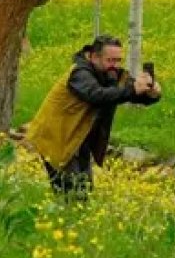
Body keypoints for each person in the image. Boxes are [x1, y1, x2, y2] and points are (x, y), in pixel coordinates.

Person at [26, 35, 162, 197]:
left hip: (78, 138)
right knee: (70, 192)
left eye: (118, 60)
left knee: (84, 190)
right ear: (93, 57)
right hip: (56, 137)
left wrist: (151, 93)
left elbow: (130, 93)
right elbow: (97, 95)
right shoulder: (79, 74)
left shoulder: (111, 73)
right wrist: (133, 89)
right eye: (110, 60)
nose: (115, 65)